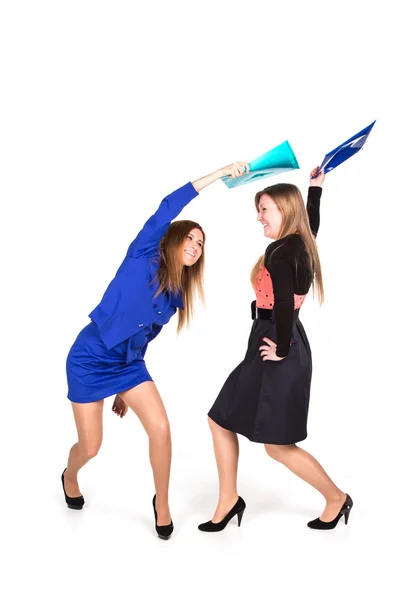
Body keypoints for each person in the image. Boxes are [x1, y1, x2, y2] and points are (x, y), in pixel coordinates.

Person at [62, 161, 250, 540]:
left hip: (128, 365)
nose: (196, 247)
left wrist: (125, 388)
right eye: (191, 239)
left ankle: (161, 504)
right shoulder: (142, 253)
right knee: (91, 446)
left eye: (201, 244)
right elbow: (169, 204)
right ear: (174, 239)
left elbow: (143, 337)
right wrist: (220, 173)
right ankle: (69, 475)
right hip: (88, 358)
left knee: (161, 428)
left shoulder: (176, 295)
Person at [198, 167, 353, 533]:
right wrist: (314, 189)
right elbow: (311, 224)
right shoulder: (301, 242)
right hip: (272, 340)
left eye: (264, 209)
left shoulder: (281, 251)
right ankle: (228, 499)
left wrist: (281, 347)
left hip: (277, 342)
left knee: (277, 445)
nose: (258, 217)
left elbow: (283, 302)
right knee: (221, 418)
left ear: (284, 210)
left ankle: (335, 497)